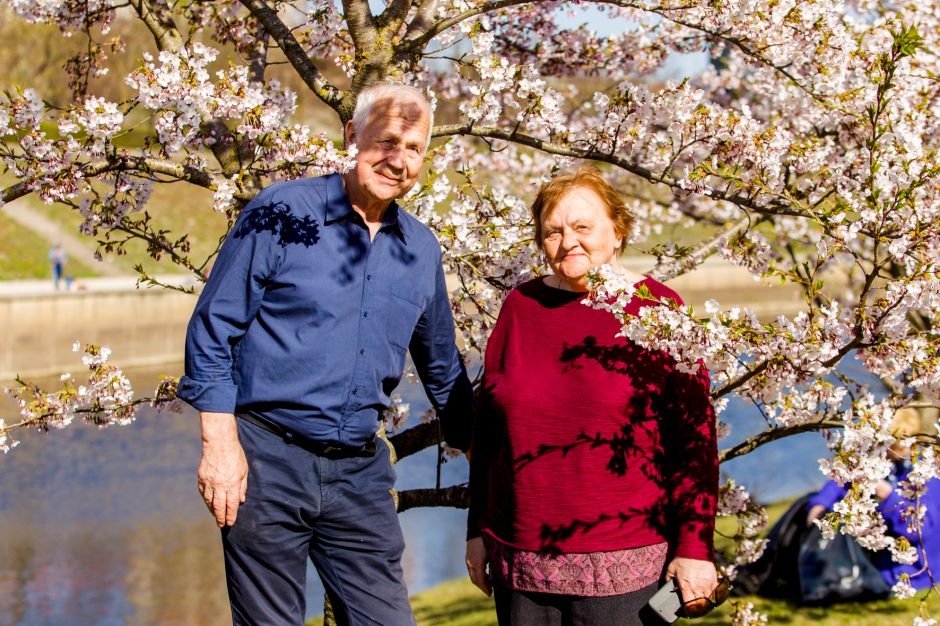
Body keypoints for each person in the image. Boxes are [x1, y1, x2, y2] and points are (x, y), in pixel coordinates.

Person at [177, 83, 473, 626]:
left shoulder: (421, 248)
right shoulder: (283, 212)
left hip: (359, 472)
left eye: (414, 149)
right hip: (267, 460)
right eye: (386, 141)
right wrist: (219, 446)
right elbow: (213, 330)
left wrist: (485, 449)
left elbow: (441, 365)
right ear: (352, 135)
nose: (398, 160)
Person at [465, 166, 721, 625]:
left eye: (583, 227)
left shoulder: (659, 310)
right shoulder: (520, 308)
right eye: (553, 232)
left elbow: (695, 442)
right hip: (519, 565)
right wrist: (476, 530)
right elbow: (488, 436)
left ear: (617, 230)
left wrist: (695, 548)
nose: (568, 243)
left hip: (625, 572)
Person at [806, 407, 940, 591]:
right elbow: (842, 483)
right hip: (882, 560)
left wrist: (888, 496)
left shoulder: (926, 475)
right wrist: (820, 504)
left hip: (913, 568)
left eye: (892, 445)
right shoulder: (882, 463)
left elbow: (919, 530)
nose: (885, 451)